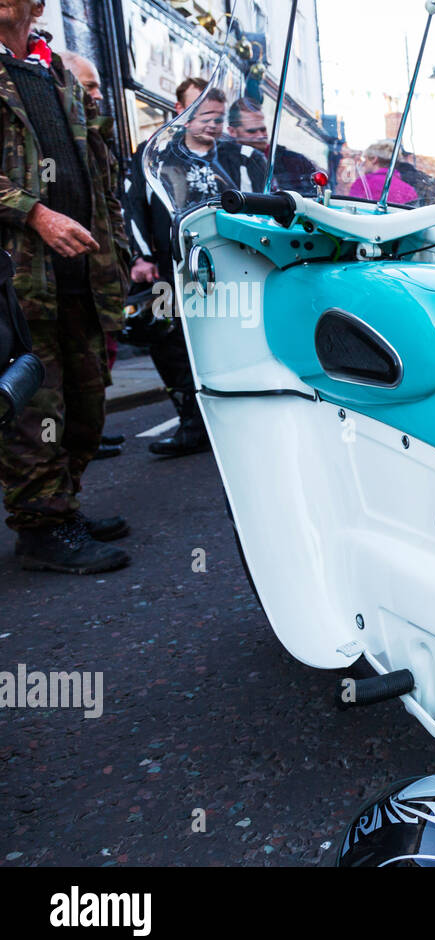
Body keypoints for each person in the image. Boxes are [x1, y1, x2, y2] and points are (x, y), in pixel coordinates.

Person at [0, 1, 131, 573]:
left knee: (86, 403)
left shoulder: (59, 72)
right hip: (17, 280)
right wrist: (35, 213)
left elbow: (103, 172)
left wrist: (118, 250)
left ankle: (63, 507)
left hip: (83, 275)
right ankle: (42, 527)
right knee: (35, 410)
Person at [123, 78, 265, 458]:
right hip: (169, 269)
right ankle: (191, 423)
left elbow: (261, 206)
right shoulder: (153, 155)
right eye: (203, 115)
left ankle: (242, 420)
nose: (212, 124)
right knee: (169, 342)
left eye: (218, 117)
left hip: (232, 268)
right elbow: (132, 204)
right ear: (180, 112)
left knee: (237, 336)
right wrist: (141, 256)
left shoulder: (240, 156)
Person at [63, 51, 129, 460]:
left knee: (94, 377)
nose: (99, 95)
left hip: (96, 280)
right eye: (90, 86)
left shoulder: (94, 137)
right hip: (54, 286)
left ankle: (88, 438)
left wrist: (120, 259)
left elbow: (111, 204)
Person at [226, 96, 321, 194]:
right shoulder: (222, 162)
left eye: (263, 129)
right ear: (232, 131)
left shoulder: (295, 163)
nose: (260, 136)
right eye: (252, 131)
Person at [348, 140, 418, 206]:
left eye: (365, 159)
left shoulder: (363, 183)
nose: (363, 163)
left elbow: (352, 207)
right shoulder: (409, 190)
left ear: (374, 159)